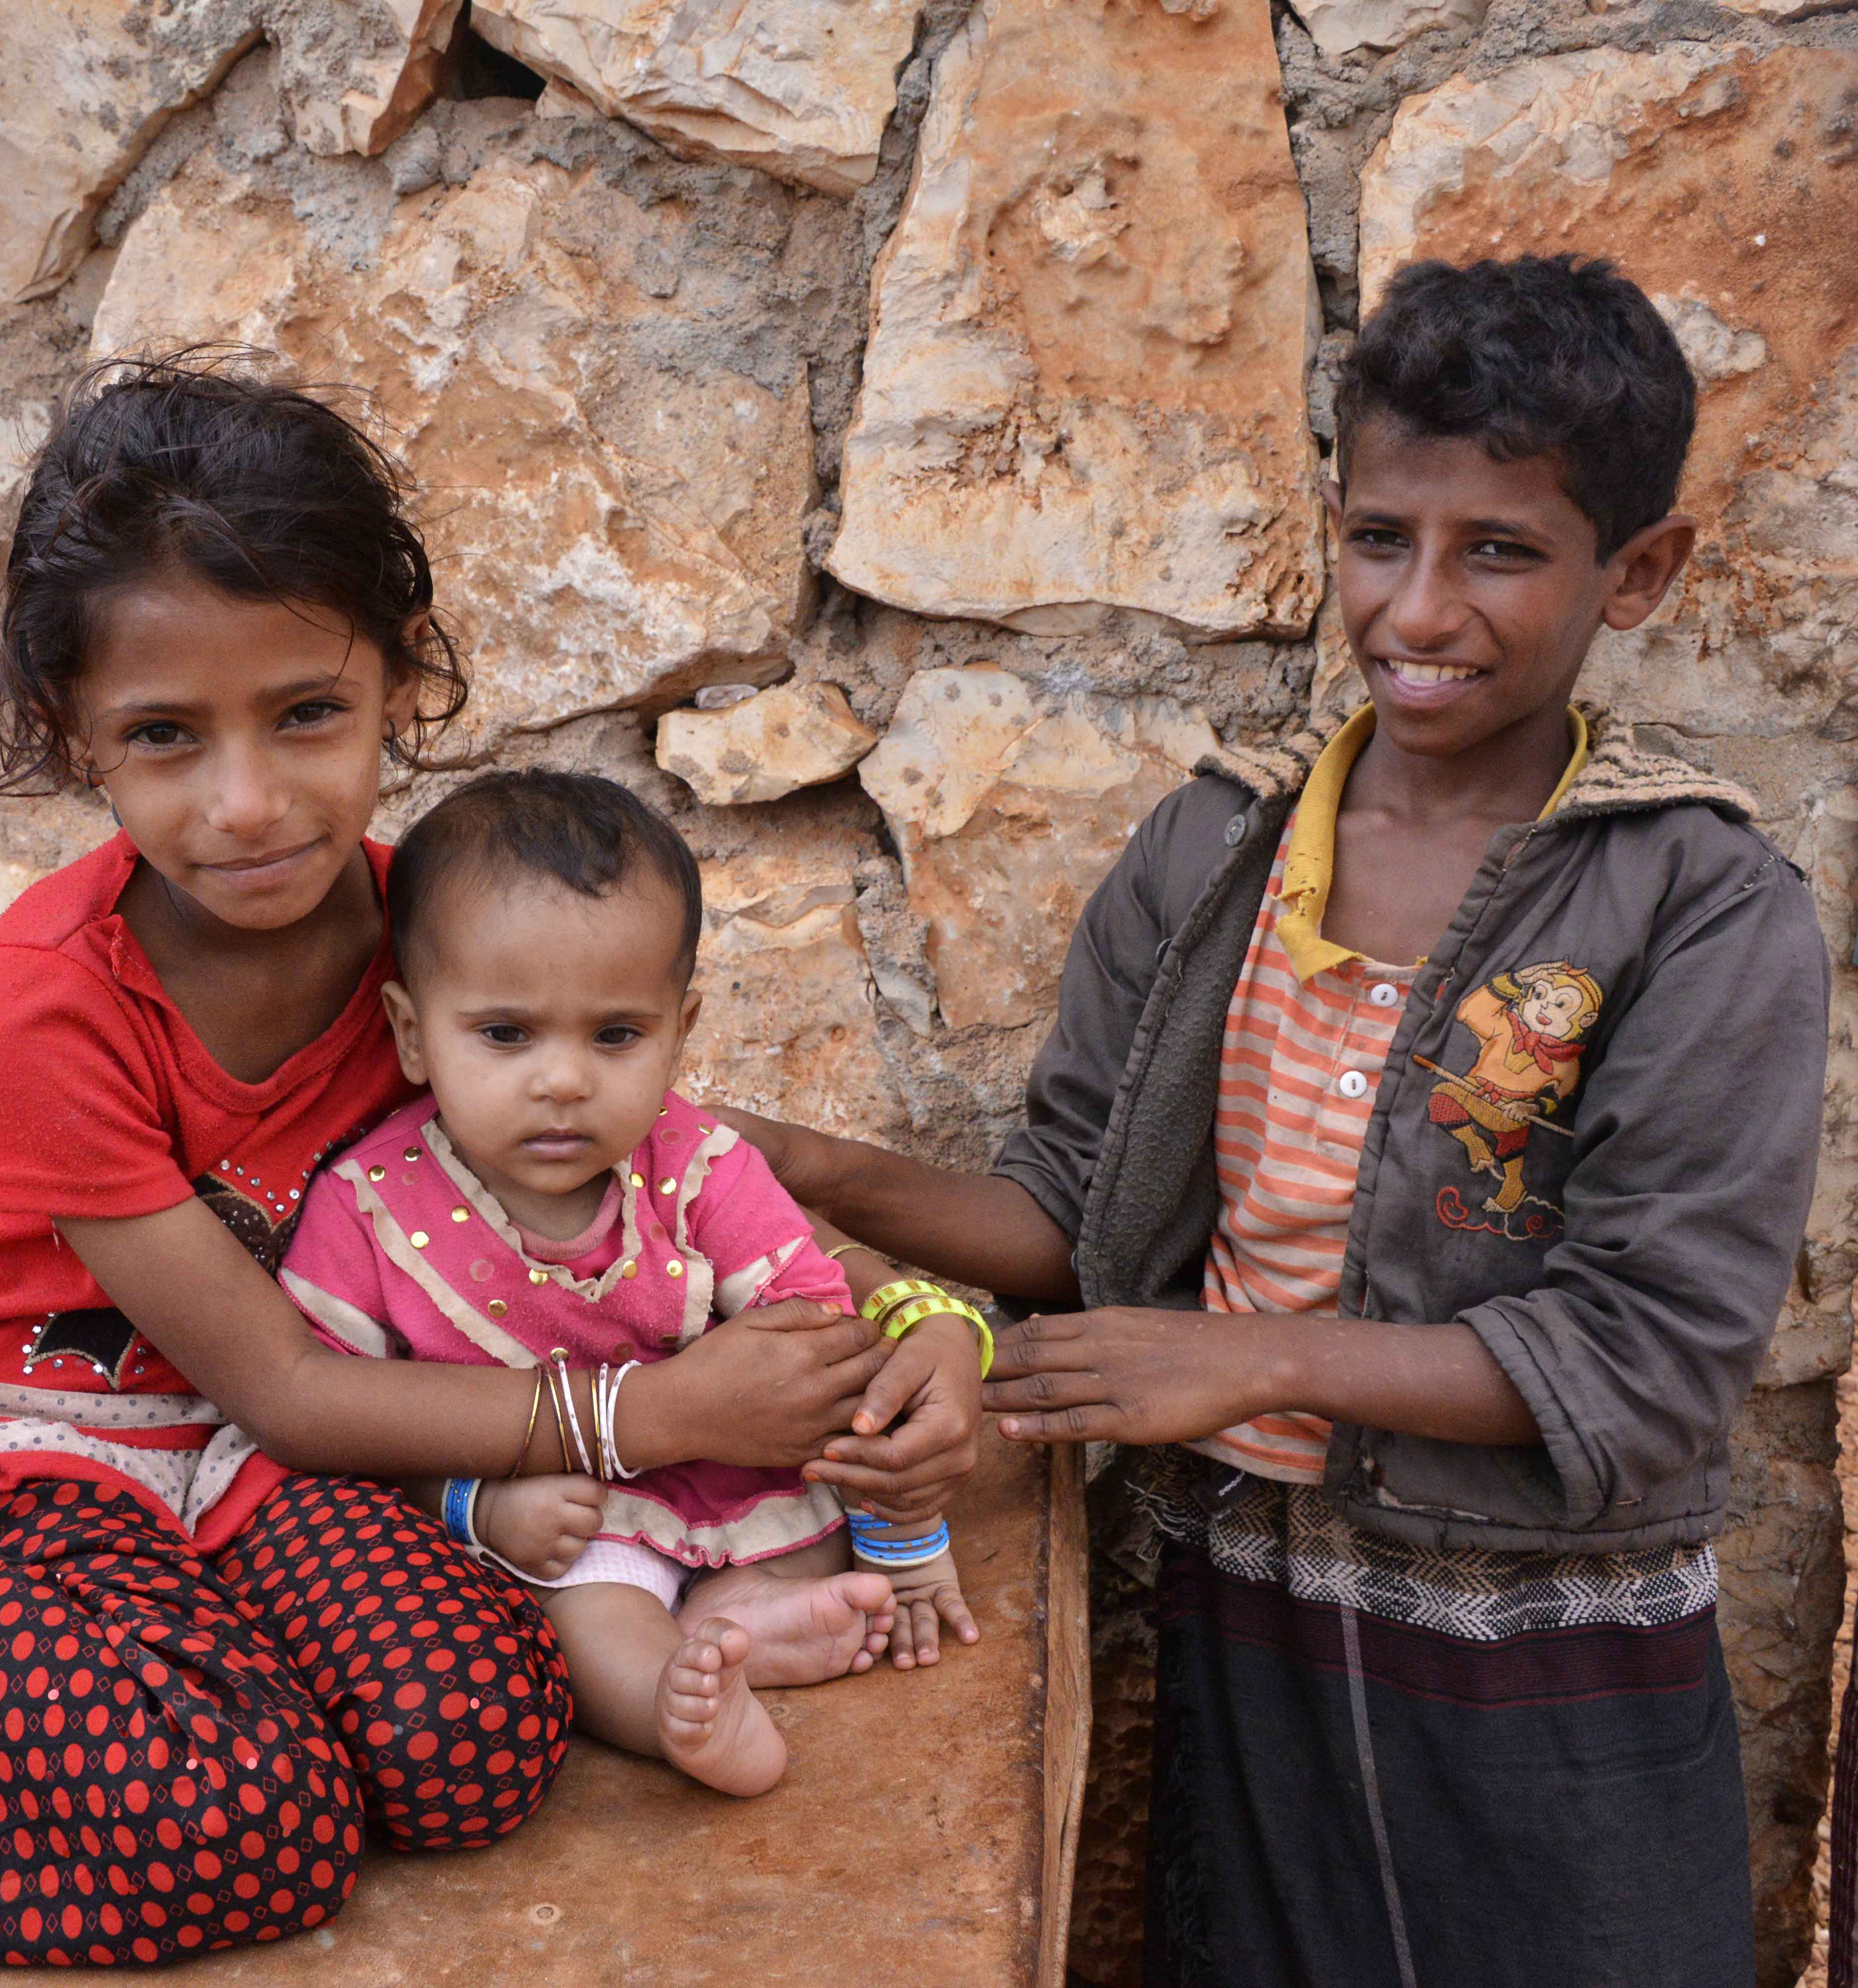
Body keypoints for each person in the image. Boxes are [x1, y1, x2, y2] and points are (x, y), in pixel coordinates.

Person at [0, 353, 983, 1968]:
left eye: (306, 714)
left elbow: (678, 1163)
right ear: (72, 740)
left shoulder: (441, 935)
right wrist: (649, 1414)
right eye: (167, 735)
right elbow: (289, 1386)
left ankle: (123, 1659)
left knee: (478, 1732)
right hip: (35, 1426)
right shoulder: (40, 1005)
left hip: (269, 1454)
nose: (248, 803)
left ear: (406, 686)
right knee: (235, 1821)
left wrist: (930, 1322)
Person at [728, 256, 1828, 1985]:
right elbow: (1071, 1210)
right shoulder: (1214, 850)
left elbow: (1646, 1353)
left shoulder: (1692, 903)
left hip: (1535, 1651)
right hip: (1242, 1598)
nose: (1417, 607)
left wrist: (1248, 1361)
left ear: (1638, 574)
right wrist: (790, 1164)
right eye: (1379, 535)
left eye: (1499, 550)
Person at [278, 770, 986, 1797]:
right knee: (587, 1616)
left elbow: (825, 1349)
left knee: (824, 1554)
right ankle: (677, 1708)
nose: (563, 1080)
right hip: (570, 1517)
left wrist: (908, 1541)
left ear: (679, 1029)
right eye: (506, 1034)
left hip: (730, 1470)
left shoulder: (696, 1166)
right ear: (411, 1032)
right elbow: (340, 1426)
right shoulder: (372, 1209)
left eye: (616, 1036)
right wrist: (472, 1507)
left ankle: (736, 1623)